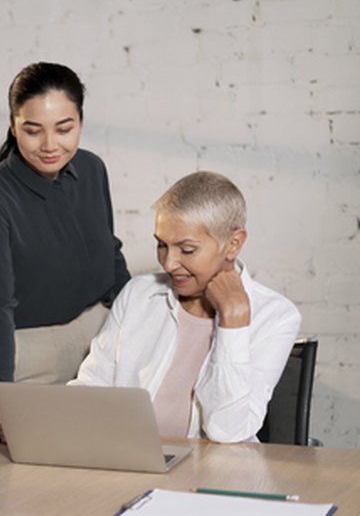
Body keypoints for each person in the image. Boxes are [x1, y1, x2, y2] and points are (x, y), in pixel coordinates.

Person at [68, 171, 301, 443]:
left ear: (233, 243)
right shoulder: (139, 294)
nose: (168, 264)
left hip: (217, 472)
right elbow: (91, 389)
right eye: (162, 245)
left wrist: (233, 323)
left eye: (187, 250)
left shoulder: (276, 316)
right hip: (130, 460)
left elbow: (228, 431)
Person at [0, 62, 130, 436]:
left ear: (81, 123)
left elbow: (111, 256)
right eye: (32, 130)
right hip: (34, 357)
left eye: (64, 128)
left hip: (102, 345)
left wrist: (140, 329)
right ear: (13, 126)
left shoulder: (92, 169)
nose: (50, 145)